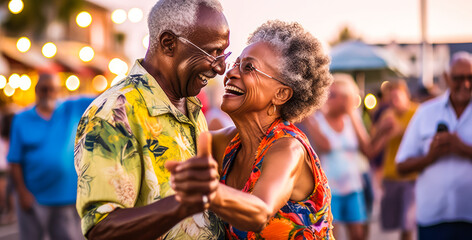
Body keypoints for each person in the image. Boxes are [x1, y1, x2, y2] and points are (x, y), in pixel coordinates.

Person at [74, 0, 230, 239]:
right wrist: (182, 204)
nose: (221, 67)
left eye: (223, 52)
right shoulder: (113, 114)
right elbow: (101, 228)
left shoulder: (191, 106)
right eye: (212, 52)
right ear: (169, 44)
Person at [167, 20, 334, 239]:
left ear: (281, 94)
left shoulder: (288, 149)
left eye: (249, 68)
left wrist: (209, 191)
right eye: (235, 64)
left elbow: (261, 211)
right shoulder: (222, 144)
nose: (230, 73)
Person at [7, 73, 93, 240]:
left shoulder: (71, 108)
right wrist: (22, 192)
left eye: (52, 89)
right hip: (33, 196)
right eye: (44, 89)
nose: (48, 93)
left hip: (66, 197)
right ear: (36, 90)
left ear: (58, 91)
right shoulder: (22, 118)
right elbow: (14, 160)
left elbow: (106, 96)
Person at [396, 52, 472, 240]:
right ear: (446, 78)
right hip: (433, 219)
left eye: (470, 77)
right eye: (458, 78)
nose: (466, 84)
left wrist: (461, 147)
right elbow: (401, 166)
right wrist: (430, 157)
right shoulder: (425, 113)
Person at [303, 74, 373, 240]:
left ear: (346, 98)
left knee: (358, 234)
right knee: (332, 234)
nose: (327, 98)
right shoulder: (317, 120)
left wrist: (351, 112)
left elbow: (367, 148)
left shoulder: (352, 119)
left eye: (333, 95)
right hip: (329, 188)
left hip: (353, 186)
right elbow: (325, 145)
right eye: (327, 94)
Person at [372, 80, 418, 240]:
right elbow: (373, 146)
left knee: (408, 222)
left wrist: (399, 131)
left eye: (396, 97)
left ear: (406, 96)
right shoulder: (387, 115)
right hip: (391, 174)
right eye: (390, 99)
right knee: (395, 223)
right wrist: (381, 130)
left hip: (412, 175)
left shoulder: (417, 113)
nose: (393, 102)